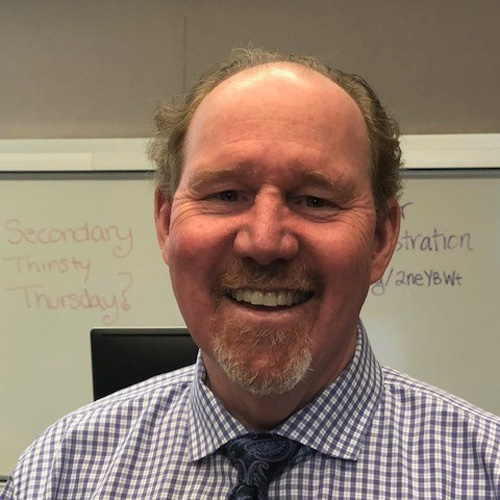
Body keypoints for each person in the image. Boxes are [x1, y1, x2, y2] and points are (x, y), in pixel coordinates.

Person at [2, 48, 499, 499]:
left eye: (315, 200)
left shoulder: (484, 473)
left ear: (381, 239)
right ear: (165, 222)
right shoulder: (60, 472)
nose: (264, 243)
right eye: (226, 195)